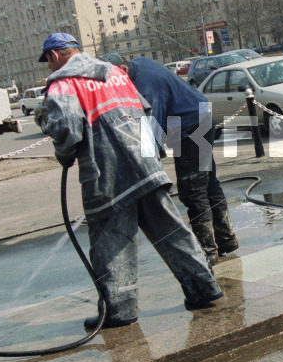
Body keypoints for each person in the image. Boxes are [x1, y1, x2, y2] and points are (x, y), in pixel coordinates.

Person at [35, 33, 222, 329]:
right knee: (172, 231)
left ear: (55, 56)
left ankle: (120, 310)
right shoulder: (114, 74)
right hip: (145, 165)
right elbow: (146, 110)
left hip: (107, 174)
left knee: (110, 242)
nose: (48, 66)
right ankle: (204, 289)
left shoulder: (63, 84)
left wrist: (63, 152)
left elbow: (67, 131)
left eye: (48, 61)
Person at [100, 52, 238, 267]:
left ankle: (207, 250)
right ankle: (226, 239)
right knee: (208, 183)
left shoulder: (145, 86)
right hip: (198, 118)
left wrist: (147, 164)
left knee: (193, 190)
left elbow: (152, 125)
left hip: (191, 128)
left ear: (122, 70)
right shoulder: (140, 63)